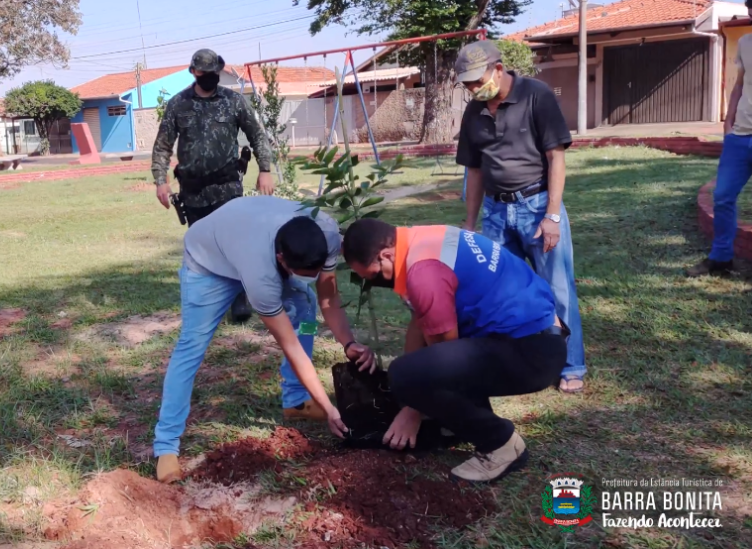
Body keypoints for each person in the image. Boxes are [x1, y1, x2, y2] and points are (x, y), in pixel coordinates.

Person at [154, 196, 376, 483]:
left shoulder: (327, 233)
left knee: (306, 309)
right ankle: (166, 445)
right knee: (191, 347)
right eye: (304, 274)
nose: (314, 276)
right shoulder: (262, 279)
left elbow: (328, 296)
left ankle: (296, 400)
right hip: (208, 261)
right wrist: (330, 408)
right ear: (283, 261)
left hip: (246, 238)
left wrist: (348, 343)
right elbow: (290, 347)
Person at [341, 219, 568, 483]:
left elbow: (441, 361)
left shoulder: (423, 273)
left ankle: (501, 444)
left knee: (407, 375)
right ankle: (458, 426)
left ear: (386, 255)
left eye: (372, 275)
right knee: (411, 372)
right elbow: (421, 322)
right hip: (538, 334)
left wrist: (412, 407)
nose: (375, 281)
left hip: (533, 353)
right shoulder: (424, 238)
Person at [455, 40, 586, 394]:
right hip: (496, 213)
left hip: (536, 207)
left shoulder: (536, 95)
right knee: (501, 292)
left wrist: (553, 216)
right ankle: (512, 364)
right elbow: (475, 170)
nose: (472, 89)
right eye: (466, 84)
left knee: (558, 288)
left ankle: (572, 365)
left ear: (498, 69)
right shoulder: (474, 112)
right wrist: (470, 224)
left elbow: (556, 157)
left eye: (475, 80)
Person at [151, 48, 275, 324]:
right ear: (194, 72)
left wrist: (265, 169)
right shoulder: (178, 104)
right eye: (204, 73)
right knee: (202, 247)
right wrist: (161, 181)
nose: (210, 77)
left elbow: (256, 134)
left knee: (235, 242)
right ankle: (209, 301)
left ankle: (239, 299)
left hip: (227, 186)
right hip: (193, 191)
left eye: (214, 73)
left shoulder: (233, 101)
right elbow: (162, 146)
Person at [687, 1, 752, 278]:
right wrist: (728, 119)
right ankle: (721, 259)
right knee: (723, 197)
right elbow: (741, 83)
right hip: (740, 135)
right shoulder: (746, 42)